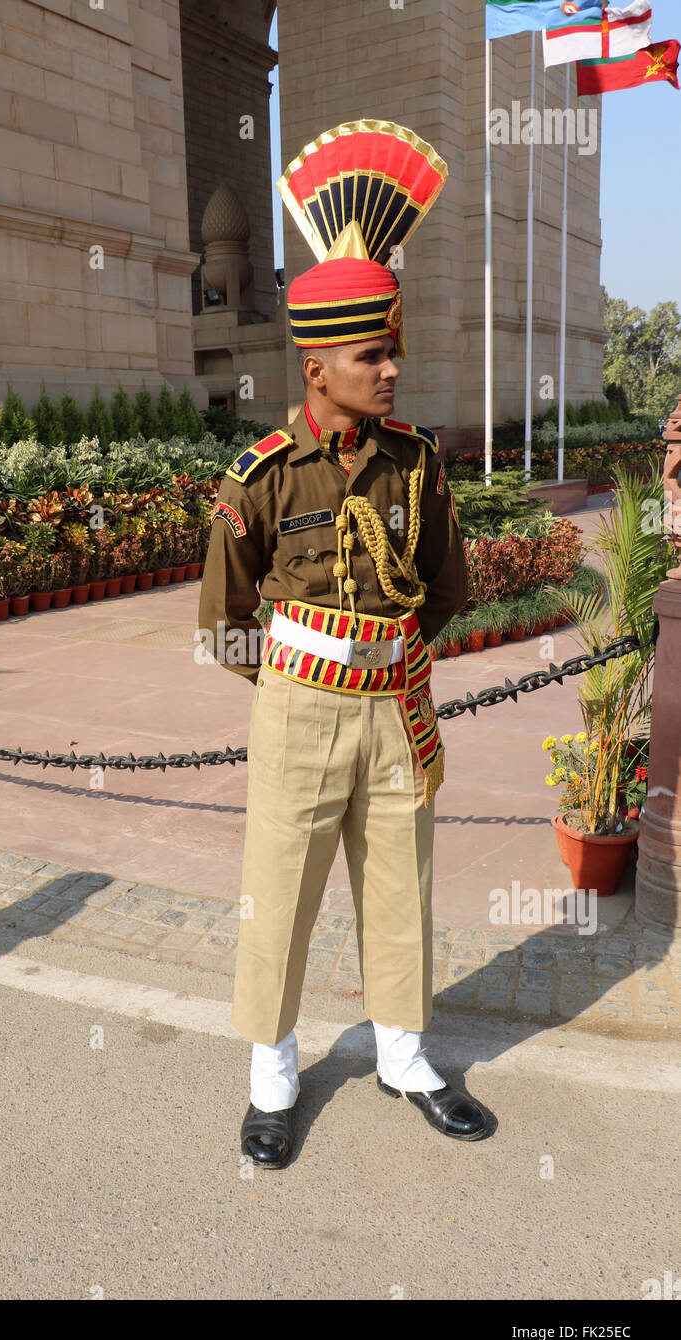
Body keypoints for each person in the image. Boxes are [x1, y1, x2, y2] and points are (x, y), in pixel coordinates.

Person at [198, 120, 491, 1167]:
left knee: (399, 878)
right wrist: (298, 677)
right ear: (317, 367)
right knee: (279, 885)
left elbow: (444, 585)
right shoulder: (263, 477)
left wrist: (382, 657)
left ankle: (405, 1055)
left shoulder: (416, 462)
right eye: (371, 356)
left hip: (396, 703)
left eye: (391, 351)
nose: (390, 371)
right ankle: (271, 1077)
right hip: (298, 705)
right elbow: (222, 621)